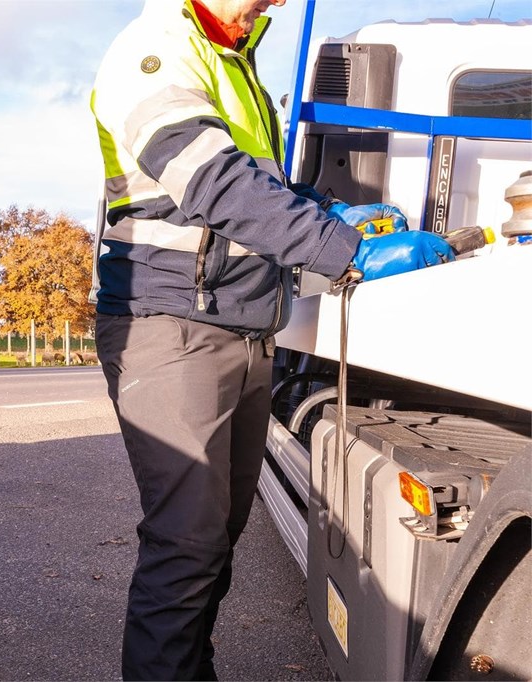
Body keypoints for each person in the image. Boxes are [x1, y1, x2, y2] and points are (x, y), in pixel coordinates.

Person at [89, 1, 453, 680]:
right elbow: (209, 181)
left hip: (243, 325)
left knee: (215, 540)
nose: (276, 2)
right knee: (186, 543)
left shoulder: (235, 60)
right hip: (172, 325)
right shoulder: (156, 47)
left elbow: (260, 185)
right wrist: (343, 249)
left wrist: (328, 210)